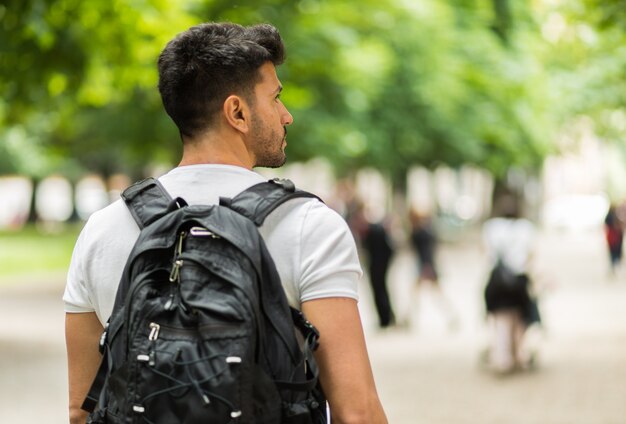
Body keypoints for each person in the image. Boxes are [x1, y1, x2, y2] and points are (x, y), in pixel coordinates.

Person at [64, 22, 387, 424]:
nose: (286, 116)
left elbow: (82, 410)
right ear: (237, 111)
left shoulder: (103, 230)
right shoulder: (310, 227)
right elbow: (356, 412)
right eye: (276, 99)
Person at [481, 194, 540, 373]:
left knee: (501, 322)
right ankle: (519, 355)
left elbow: (484, 254)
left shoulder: (490, 228)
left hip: (497, 281)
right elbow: (531, 256)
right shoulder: (526, 228)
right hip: (519, 281)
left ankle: (503, 357)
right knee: (520, 320)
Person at [407, 208, 457, 331]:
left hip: (424, 266)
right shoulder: (424, 231)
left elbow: (426, 252)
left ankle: (450, 316)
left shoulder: (419, 232)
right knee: (420, 294)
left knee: (429, 294)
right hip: (425, 265)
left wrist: (427, 266)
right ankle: (410, 318)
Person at [604, 204, 624, 275]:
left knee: (614, 251)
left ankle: (615, 262)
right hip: (613, 237)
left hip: (614, 237)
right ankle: (614, 263)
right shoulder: (613, 217)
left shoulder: (616, 217)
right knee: (614, 251)